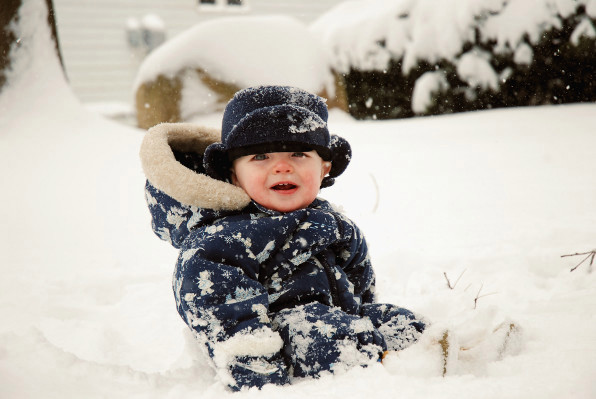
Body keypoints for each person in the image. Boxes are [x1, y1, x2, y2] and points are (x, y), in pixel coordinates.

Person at [140, 86, 426, 391]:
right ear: (233, 173)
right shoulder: (221, 241)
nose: (282, 166)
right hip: (285, 341)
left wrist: (364, 317)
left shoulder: (335, 224)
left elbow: (360, 284)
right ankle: (382, 373)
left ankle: (423, 356)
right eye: (260, 156)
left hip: (340, 323)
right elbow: (229, 322)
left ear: (325, 167)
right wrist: (260, 380)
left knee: (401, 322)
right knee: (321, 335)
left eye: (299, 154)